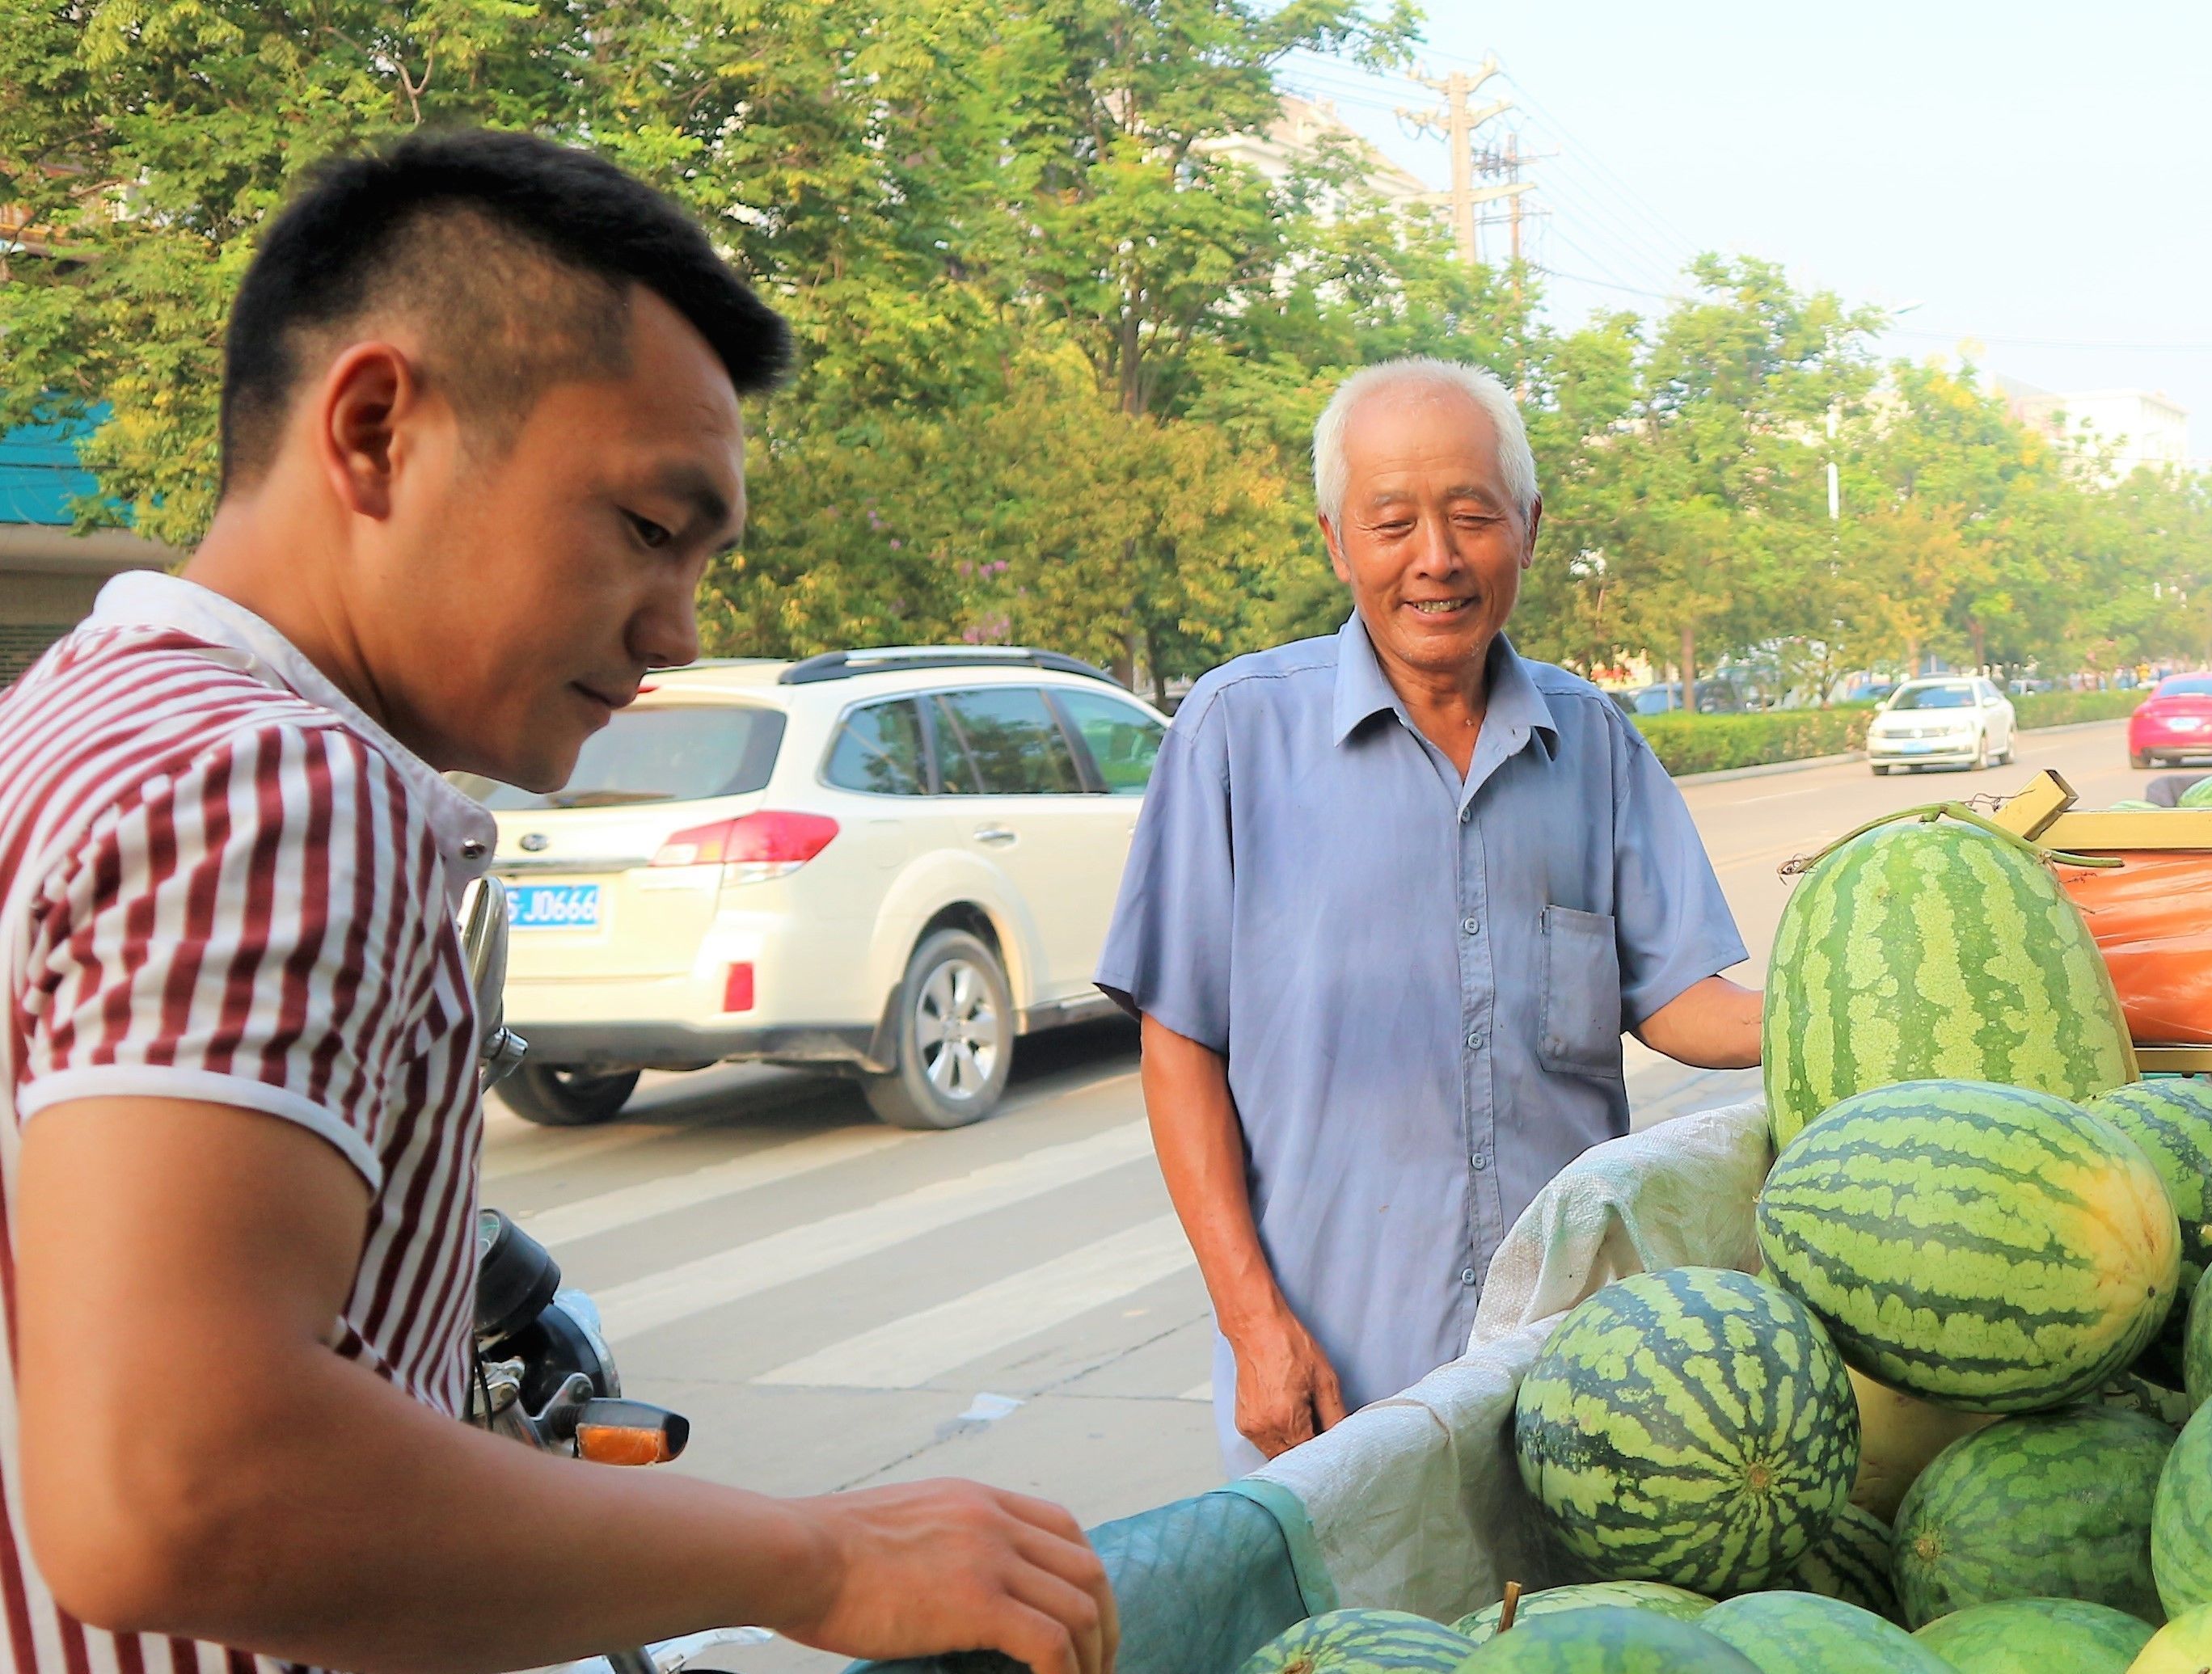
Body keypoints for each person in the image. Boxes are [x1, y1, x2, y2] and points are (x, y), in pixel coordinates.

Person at [0, 130, 1114, 1674]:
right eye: (649, 531)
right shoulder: (284, 789)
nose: (676, 628)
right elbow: (180, 1493)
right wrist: (825, 1560)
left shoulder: (71, 726)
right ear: (377, 431)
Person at [1096, 358, 1760, 1475]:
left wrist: (1850, 1009)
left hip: (1572, 1361)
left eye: (1472, 516)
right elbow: (1180, 1051)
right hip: (1337, 1373)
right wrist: (1253, 1326)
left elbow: (1680, 1000)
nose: (1436, 559)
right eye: (1393, 522)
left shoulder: (1593, 742)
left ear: (1530, 529)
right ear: (1337, 542)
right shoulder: (1238, 732)